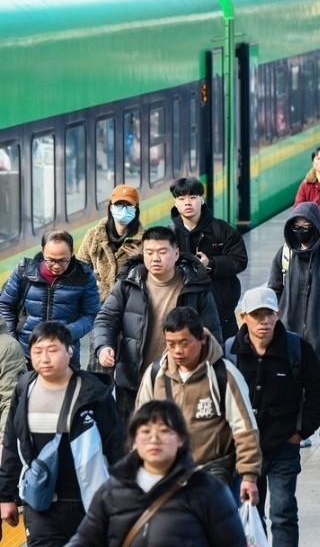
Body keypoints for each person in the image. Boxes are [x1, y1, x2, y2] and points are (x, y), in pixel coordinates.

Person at [0, 322, 124, 546]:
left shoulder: (94, 392)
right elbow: (12, 443)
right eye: (38, 351)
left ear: (70, 350)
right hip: (41, 502)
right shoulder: (24, 388)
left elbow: (116, 447)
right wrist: (5, 496)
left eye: (52, 350)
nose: (45, 359)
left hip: (89, 502)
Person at [228, 287, 320, 546]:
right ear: (243, 317)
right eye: (256, 315)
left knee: (283, 511)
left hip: (283, 446)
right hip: (245, 449)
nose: (263, 322)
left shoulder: (296, 348)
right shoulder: (230, 351)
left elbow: (319, 391)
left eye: (269, 314)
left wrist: (301, 431)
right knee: (250, 511)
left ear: (277, 315)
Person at [64, 400, 246, 547]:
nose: (154, 439)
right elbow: (85, 540)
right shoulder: (112, 490)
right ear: (134, 439)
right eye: (145, 431)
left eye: (164, 431)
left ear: (181, 439)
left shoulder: (208, 490)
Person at [94, 226, 222, 425]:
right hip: (133, 382)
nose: (155, 258)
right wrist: (103, 347)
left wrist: (207, 373)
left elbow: (213, 333)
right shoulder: (128, 283)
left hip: (181, 382)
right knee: (135, 437)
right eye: (149, 252)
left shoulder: (196, 286)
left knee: (178, 435)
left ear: (176, 253)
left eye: (162, 252)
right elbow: (106, 319)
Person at [135, 306, 261, 503]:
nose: (177, 350)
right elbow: (141, 427)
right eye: (171, 344)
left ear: (201, 338)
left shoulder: (224, 375)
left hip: (214, 475)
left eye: (184, 343)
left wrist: (249, 475)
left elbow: (244, 428)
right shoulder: (155, 375)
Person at [267, 202, 320, 397]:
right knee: (289, 391)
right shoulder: (284, 254)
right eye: (296, 227)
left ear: (316, 226)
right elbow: (274, 290)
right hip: (288, 335)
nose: (301, 231)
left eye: (306, 226)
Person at [0, 231, 99, 365]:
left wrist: (67, 333)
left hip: (64, 356)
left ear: (72, 253)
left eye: (63, 260)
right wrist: (13, 344)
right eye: (51, 260)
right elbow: (5, 306)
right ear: (43, 252)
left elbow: (91, 315)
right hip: (26, 354)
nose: (56, 266)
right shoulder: (24, 271)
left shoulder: (84, 276)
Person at [170, 177, 248, 338]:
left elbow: (240, 259)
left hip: (221, 310)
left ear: (202, 199)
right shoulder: (169, 235)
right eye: (181, 198)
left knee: (223, 347)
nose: (187, 203)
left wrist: (210, 264)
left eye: (193, 197)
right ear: (175, 203)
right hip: (180, 309)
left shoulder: (222, 229)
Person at [75, 184, 144, 304]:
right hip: (97, 304)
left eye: (128, 205)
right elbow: (79, 267)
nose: (123, 209)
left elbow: (152, 276)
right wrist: (91, 280)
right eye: (119, 205)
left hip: (128, 304)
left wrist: (141, 259)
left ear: (136, 208)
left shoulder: (144, 240)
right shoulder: (93, 235)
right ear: (110, 207)